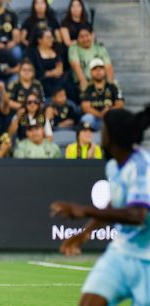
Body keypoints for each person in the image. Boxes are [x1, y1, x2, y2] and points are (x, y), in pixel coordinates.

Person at [50, 106, 150, 306]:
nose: (99, 136)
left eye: (102, 130)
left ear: (112, 136)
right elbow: (113, 205)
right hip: (120, 252)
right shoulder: (113, 165)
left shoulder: (141, 167)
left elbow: (138, 214)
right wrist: (83, 235)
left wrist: (84, 210)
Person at [80, 58, 124, 130]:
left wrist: (109, 111)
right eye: (95, 69)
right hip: (95, 119)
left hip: (110, 118)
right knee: (87, 118)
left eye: (101, 68)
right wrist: (100, 115)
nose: (98, 71)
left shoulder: (113, 87)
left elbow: (120, 103)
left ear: (105, 71)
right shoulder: (88, 88)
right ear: (90, 72)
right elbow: (85, 106)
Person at [69, 25, 114, 92]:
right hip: (83, 81)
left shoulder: (99, 48)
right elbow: (76, 66)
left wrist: (109, 85)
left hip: (101, 81)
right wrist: (84, 83)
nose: (85, 39)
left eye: (87, 36)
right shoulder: (73, 48)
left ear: (92, 35)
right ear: (77, 39)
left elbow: (108, 66)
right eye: (81, 37)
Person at [26, 28, 65, 97]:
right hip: (42, 80)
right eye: (48, 38)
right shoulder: (32, 53)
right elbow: (32, 70)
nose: (51, 39)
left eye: (51, 37)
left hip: (58, 79)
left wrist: (59, 71)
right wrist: (48, 74)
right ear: (40, 40)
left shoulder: (57, 49)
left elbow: (60, 66)